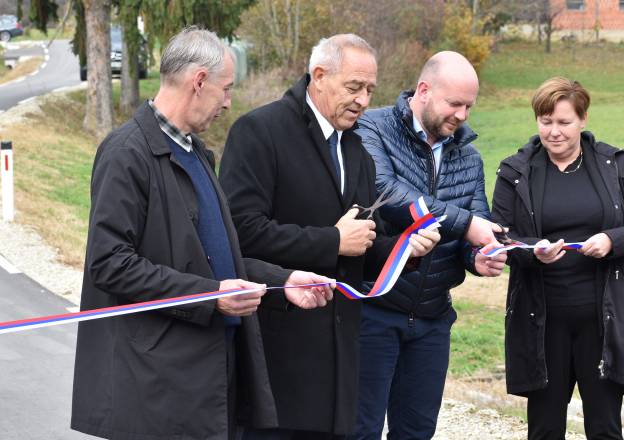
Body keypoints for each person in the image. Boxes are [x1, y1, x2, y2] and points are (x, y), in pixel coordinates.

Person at [70, 27, 335, 440]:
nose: (228, 102)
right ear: (198, 82)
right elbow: (109, 264)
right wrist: (209, 298)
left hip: (208, 377)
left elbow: (216, 262)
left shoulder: (196, 153)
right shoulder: (127, 154)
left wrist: (283, 282)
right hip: (157, 387)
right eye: (225, 89)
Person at [219, 34, 440, 439]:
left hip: (339, 366)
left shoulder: (357, 151)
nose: (363, 100)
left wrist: (406, 250)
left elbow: (362, 247)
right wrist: (330, 241)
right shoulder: (259, 131)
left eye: (370, 90)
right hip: (276, 361)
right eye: (354, 87)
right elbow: (239, 234)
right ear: (318, 76)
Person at [490, 77, 624, 439]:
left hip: (603, 322)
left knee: (604, 429)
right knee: (544, 429)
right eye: (545, 121)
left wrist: (612, 240)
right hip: (541, 322)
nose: (553, 132)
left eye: (563, 122)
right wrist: (531, 252)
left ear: (583, 119)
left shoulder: (615, 164)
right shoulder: (515, 172)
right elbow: (500, 237)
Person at [352, 51, 507, 439]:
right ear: (423, 90)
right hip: (374, 309)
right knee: (359, 429)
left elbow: (475, 224)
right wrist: (468, 224)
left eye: (469, 106)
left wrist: (480, 256)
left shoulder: (469, 159)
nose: (462, 115)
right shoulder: (372, 128)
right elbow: (385, 191)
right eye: (454, 104)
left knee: (418, 431)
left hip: (433, 319)